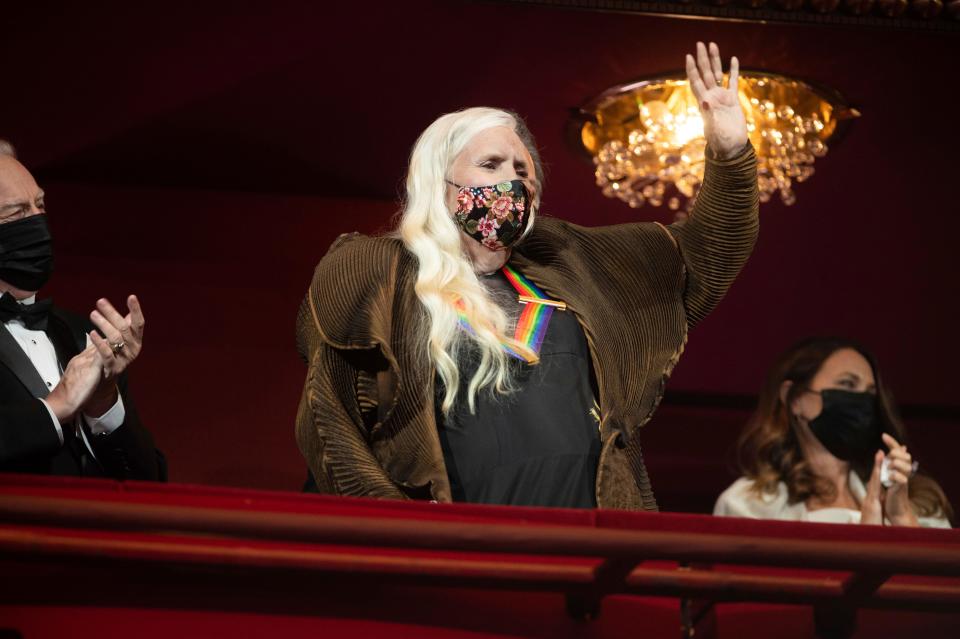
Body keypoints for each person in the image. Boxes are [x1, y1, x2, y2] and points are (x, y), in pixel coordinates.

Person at [296, 42, 758, 509]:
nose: (512, 181)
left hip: (591, 546)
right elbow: (331, 424)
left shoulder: (571, 266)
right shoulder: (378, 271)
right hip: (458, 556)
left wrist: (730, 153)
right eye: (490, 165)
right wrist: (408, 538)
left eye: (522, 169)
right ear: (439, 181)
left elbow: (706, 255)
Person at [0, 140, 164, 480]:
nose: (38, 223)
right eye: (18, 213)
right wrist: (53, 408)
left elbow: (150, 481)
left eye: (40, 205)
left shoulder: (80, 334)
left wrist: (104, 403)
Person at [714, 337, 952, 527]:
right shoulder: (747, 506)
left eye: (869, 392)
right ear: (795, 399)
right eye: (847, 385)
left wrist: (902, 520)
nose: (861, 400)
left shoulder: (917, 501)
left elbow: (937, 582)